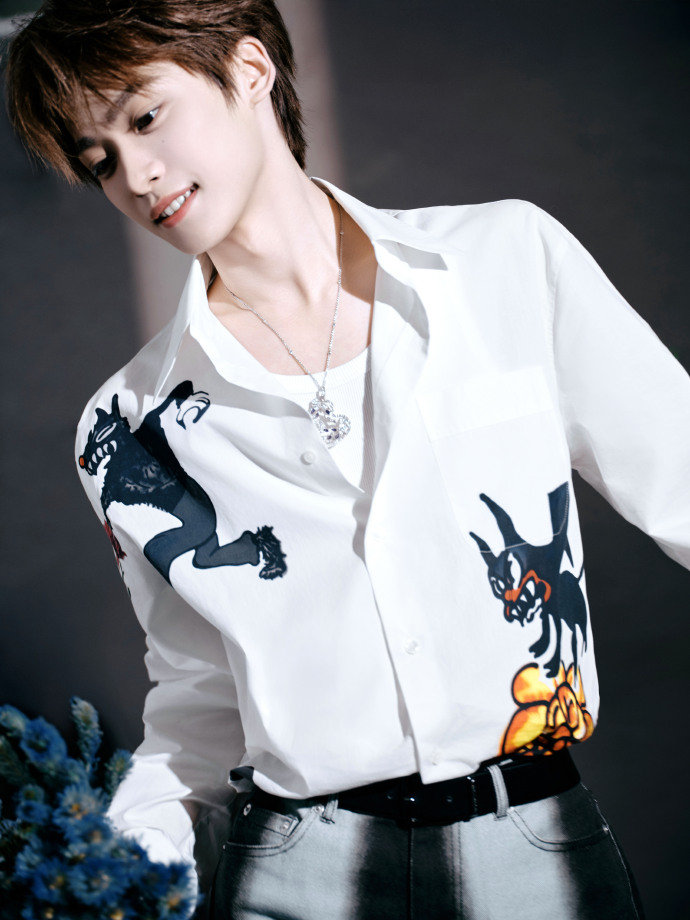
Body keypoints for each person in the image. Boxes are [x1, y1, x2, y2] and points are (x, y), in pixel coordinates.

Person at [5, 1, 688, 917]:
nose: (135, 175)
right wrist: (123, 870)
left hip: (538, 847)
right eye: (100, 161)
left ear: (249, 69)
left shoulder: (502, 263)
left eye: (146, 116)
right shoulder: (129, 425)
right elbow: (201, 700)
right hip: (299, 870)